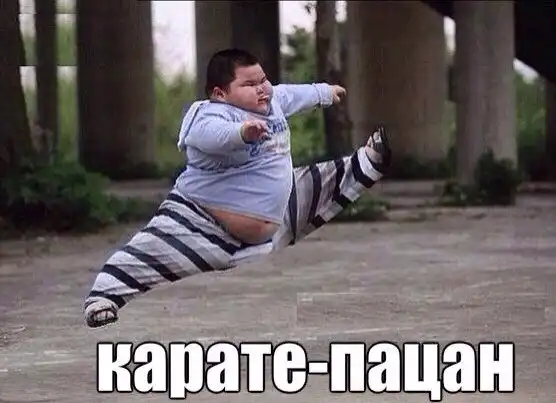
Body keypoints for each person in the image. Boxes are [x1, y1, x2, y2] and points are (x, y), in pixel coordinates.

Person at [83, 48, 391, 328]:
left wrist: (323, 92)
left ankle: (368, 160)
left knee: (319, 180)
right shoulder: (207, 113)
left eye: (263, 80)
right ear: (220, 93)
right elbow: (210, 135)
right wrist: (241, 132)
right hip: (202, 222)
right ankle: (102, 299)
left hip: (277, 218)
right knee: (147, 252)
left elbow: (291, 94)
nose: (262, 88)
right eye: (249, 84)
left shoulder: (271, 102)